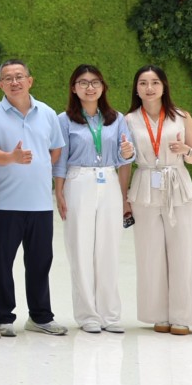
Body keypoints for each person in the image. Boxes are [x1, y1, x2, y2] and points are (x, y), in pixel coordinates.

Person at [0, 59, 68, 337]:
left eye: (19, 76)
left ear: (30, 81)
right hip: (6, 203)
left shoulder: (47, 113)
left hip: (40, 203)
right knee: (2, 263)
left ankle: (41, 317)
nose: (14, 82)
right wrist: (12, 158)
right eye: (8, 78)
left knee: (40, 262)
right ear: (1, 85)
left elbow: (56, 149)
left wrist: (39, 164)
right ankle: (4, 317)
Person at [55, 65, 135, 334]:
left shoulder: (116, 119)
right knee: (80, 249)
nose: (90, 87)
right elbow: (60, 161)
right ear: (73, 88)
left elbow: (126, 157)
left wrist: (127, 153)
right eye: (83, 82)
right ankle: (87, 314)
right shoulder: (64, 120)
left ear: (103, 87)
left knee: (109, 249)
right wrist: (59, 192)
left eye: (95, 82)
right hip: (78, 180)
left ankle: (110, 315)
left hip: (109, 181)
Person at [124, 65, 192, 335]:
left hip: (178, 186)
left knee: (184, 250)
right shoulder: (129, 120)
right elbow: (125, 161)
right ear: (136, 89)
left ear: (164, 86)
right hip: (144, 187)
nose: (149, 88)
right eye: (143, 83)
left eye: (155, 82)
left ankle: (183, 316)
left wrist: (186, 150)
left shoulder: (182, 117)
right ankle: (158, 314)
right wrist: (124, 198)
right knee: (150, 252)